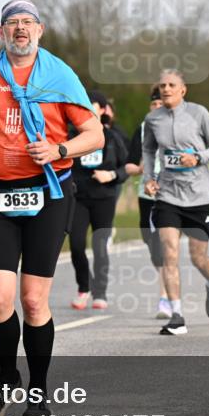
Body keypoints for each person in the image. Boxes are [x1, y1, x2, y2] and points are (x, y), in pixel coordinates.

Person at [0, 0, 104, 416]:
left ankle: (38, 392)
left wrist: (59, 148)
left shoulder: (60, 74)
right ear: (0, 32)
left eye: (28, 22)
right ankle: (7, 378)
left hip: (49, 194)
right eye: (13, 23)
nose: (20, 29)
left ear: (40, 30)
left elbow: (93, 134)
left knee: (33, 301)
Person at [142, 69, 209, 335]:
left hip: (199, 195)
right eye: (162, 85)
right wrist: (148, 178)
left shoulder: (198, 113)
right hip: (167, 194)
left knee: (198, 258)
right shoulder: (153, 119)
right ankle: (176, 315)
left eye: (171, 85)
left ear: (183, 89)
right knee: (169, 253)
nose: (165, 89)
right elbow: (148, 149)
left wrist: (198, 158)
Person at [69, 90, 129, 311]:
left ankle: (100, 292)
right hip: (77, 198)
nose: (85, 107)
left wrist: (111, 176)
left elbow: (128, 167)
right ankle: (83, 287)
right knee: (76, 245)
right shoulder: (71, 135)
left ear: (102, 109)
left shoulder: (112, 137)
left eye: (91, 104)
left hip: (104, 198)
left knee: (99, 246)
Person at [126, 86, 170, 317]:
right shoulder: (142, 130)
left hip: (170, 195)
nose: (157, 108)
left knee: (164, 245)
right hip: (146, 195)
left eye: (161, 105)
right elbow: (129, 164)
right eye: (153, 105)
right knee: (152, 245)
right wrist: (139, 168)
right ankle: (168, 281)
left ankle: (165, 298)